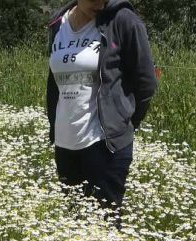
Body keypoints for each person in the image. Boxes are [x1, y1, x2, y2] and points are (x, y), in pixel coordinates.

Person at [46, 0, 157, 229]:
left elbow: (145, 84)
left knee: (105, 230)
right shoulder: (58, 25)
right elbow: (55, 82)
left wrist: (125, 124)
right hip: (66, 145)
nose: (100, 2)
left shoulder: (123, 21)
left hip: (105, 147)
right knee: (73, 228)